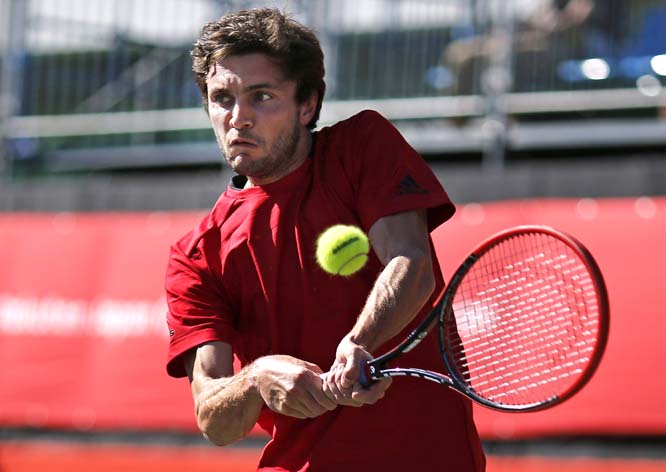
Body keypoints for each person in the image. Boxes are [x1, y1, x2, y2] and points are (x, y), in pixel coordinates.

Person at [165, 8, 485, 471]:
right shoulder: (196, 254)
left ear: (307, 105)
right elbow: (214, 419)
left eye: (262, 96)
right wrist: (255, 378)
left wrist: (361, 341)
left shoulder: (363, 146)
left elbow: (412, 263)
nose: (239, 118)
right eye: (222, 99)